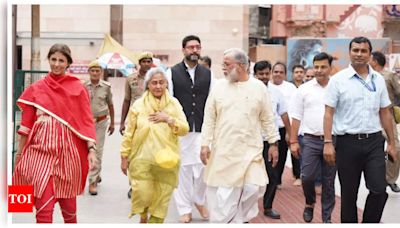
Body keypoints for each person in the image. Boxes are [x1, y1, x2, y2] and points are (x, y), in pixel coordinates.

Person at [13, 43, 97, 223]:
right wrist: (19, 155)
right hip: (40, 154)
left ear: (68, 63)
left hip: (68, 155)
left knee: (69, 211)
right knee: (43, 211)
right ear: (48, 60)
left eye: (61, 60)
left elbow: (86, 122)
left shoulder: (78, 88)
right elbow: (26, 126)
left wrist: (91, 149)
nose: (57, 64)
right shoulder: (36, 88)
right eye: (53, 59)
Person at [200, 48, 280, 223]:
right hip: (224, 151)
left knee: (253, 188)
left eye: (227, 65)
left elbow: (267, 118)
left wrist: (274, 143)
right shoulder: (218, 87)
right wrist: (205, 143)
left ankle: (238, 219)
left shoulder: (258, 88)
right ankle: (231, 222)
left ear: (241, 66)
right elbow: (209, 119)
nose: (223, 68)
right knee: (222, 196)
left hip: (250, 151)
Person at [323, 36, 398, 223]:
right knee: (349, 195)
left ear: (369, 54)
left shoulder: (379, 80)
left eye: (363, 51)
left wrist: (392, 142)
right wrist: (327, 143)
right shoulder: (338, 80)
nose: (359, 54)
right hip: (346, 143)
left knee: (379, 189)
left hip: (373, 142)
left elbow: (385, 113)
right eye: (355, 50)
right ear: (350, 53)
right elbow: (328, 114)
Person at [120, 67, 189, 223]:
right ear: (148, 85)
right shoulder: (138, 105)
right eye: (154, 83)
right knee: (143, 194)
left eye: (161, 83)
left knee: (162, 198)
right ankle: (143, 216)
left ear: (166, 84)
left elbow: (185, 129)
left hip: (167, 161)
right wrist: (124, 156)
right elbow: (129, 133)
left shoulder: (173, 104)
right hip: (141, 160)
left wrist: (168, 119)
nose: (158, 86)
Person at [167, 35, 212, 223]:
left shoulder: (208, 74)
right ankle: (184, 208)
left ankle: (199, 199)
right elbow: (169, 100)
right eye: (191, 47)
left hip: (202, 127)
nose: (195, 50)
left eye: (198, 47)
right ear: (183, 50)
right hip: (181, 129)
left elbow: (212, 101)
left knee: (204, 167)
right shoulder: (172, 72)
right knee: (183, 170)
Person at [290, 52, 336, 223]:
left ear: (330, 68)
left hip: (332, 141)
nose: (319, 70)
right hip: (310, 140)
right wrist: (293, 141)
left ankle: (327, 217)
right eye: (316, 67)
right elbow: (296, 116)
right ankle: (309, 202)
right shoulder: (304, 89)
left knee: (328, 181)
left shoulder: (337, 87)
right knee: (307, 176)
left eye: (323, 67)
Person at [254, 60, 290, 220]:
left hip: (271, 141)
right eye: (260, 74)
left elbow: (283, 114)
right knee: (249, 177)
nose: (263, 77)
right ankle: (245, 208)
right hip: (251, 141)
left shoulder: (276, 93)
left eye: (266, 73)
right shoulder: (248, 91)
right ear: (255, 74)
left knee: (272, 175)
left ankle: (268, 206)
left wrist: (290, 134)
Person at [120, 51, 154, 198]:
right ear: (139, 63)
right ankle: (134, 185)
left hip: (151, 121)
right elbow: (126, 100)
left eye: (149, 61)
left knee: (150, 154)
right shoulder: (130, 79)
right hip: (135, 122)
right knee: (133, 155)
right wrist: (122, 122)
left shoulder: (156, 78)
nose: (146, 64)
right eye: (144, 61)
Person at [370, 51, 400, 193]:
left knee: (396, 148)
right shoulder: (366, 76)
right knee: (373, 150)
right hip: (370, 117)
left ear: (375, 61)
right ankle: (376, 179)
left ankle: (391, 179)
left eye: (370, 58)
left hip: (387, 116)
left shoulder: (389, 76)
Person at [84, 60, 115, 195]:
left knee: (97, 151)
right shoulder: (83, 86)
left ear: (101, 72)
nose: (95, 73)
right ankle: (96, 174)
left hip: (101, 123)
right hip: (86, 123)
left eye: (98, 71)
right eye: (93, 70)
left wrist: (113, 123)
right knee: (87, 151)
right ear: (89, 72)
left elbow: (111, 105)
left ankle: (92, 181)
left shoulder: (106, 87)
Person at [270, 62, 300, 187]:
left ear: (285, 74)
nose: (278, 74)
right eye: (276, 72)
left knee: (288, 153)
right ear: (272, 73)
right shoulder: (267, 87)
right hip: (272, 128)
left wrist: (291, 130)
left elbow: (294, 108)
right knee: (275, 155)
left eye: (281, 72)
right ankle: (275, 180)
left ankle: (296, 175)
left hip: (287, 126)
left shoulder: (291, 88)